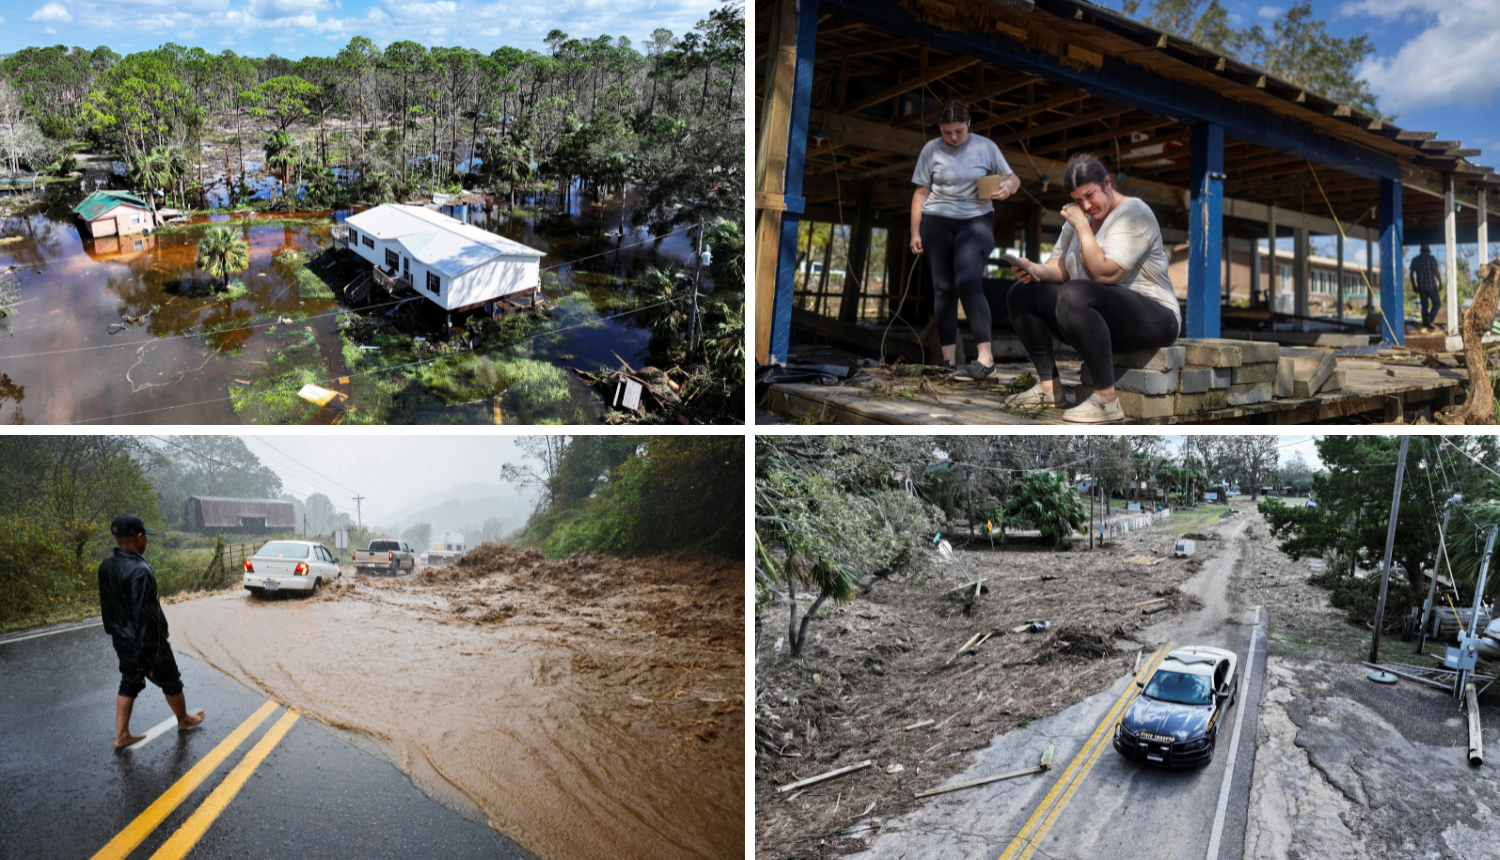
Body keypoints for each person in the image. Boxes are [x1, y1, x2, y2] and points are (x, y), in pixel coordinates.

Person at [1005, 154, 1180, 423]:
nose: (1085, 206)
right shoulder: (1078, 219)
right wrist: (1032, 269)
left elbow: (1104, 273)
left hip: (1155, 317)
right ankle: (1049, 388)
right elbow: (1059, 268)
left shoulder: (1134, 213)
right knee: (1022, 293)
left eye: (1090, 196)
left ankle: (1106, 400)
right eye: (1077, 200)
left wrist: (1083, 228)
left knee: (1075, 293)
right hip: (1100, 315)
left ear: (1107, 184)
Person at [910, 100, 1022, 381]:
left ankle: (986, 359)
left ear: (968, 125)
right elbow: (921, 193)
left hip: (976, 220)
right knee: (944, 289)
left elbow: (1013, 178)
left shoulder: (986, 147)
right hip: (936, 221)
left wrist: (1007, 187)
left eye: (958, 130)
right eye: (946, 132)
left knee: (967, 281)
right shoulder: (930, 150)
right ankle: (947, 362)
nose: (953, 137)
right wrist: (915, 231)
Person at [99, 514, 204, 748]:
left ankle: (122, 735)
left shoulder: (106, 565)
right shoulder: (140, 569)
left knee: (129, 681)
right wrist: (149, 654)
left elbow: (108, 608)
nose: (146, 540)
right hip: (147, 642)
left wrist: (118, 635)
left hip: (121, 638)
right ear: (139, 538)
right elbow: (146, 615)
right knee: (172, 681)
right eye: (145, 536)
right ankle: (183, 719)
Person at [1410, 243, 1442, 327]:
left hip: (1421, 287)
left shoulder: (1415, 260)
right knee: (1437, 303)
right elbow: (1435, 270)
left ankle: (1425, 324)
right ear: (1428, 251)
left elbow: (1411, 274)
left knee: (1424, 306)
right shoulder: (1431, 258)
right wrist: (1440, 282)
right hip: (1432, 286)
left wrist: (1414, 286)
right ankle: (1430, 318)